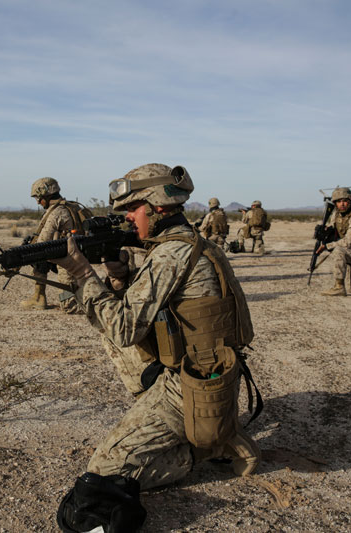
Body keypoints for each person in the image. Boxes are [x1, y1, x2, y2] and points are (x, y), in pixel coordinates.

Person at [51, 164, 261, 533]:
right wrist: (120, 275)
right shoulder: (190, 242)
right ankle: (191, 427)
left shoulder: (170, 254)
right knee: (107, 332)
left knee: (104, 470)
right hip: (205, 369)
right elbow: (150, 312)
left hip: (190, 385)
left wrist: (82, 273)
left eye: (133, 209)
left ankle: (207, 446)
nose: (128, 218)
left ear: (157, 206)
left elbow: (124, 326)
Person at [20, 177, 92, 312]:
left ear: (46, 195)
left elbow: (42, 243)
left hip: (69, 262)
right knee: (40, 262)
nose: (38, 202)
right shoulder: (73, 206)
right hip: (82, 256)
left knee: (69, 306)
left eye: (38, 198)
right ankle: (38, 298)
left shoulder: (57, 212)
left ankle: (97, 305)